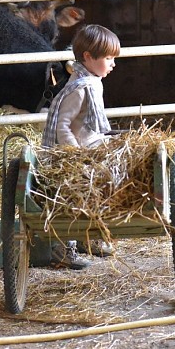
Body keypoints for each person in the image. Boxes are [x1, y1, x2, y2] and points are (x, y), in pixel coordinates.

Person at [40, 24, 121, 269]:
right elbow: (62, 124)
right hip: (76, 155)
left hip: (91, 150)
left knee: (97, 194)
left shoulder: (91, 80)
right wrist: (73, 154)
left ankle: (91, 238)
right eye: (108, 58)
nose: (113, 64)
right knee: (72, 200)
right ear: (87, 57)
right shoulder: (79, 88)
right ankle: (64, 248)